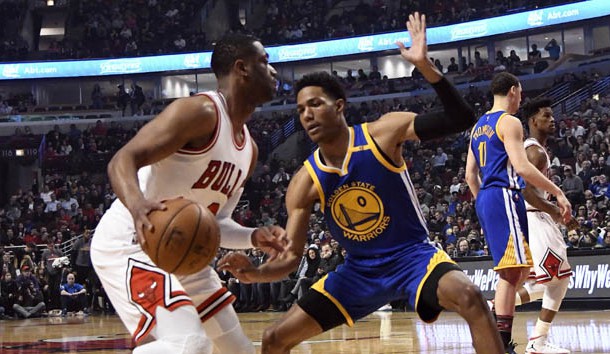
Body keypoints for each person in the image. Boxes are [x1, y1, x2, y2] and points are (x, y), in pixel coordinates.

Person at [220, 13, 503, 354]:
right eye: (300, 110)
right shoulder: (304, 181)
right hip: (358, 273)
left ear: (339, 106)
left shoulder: (382, 133)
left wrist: (425, 66)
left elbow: (461, 119)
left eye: (315, 104)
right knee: (273, 339)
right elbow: (292, 256)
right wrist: (255, 273)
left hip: (413, 257)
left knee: (472, 297)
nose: (306, 114)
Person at [90, 33, 285, 354]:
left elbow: (215, 223)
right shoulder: (199, 112)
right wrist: (138, 206)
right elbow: (122, 160)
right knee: (188, 344)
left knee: (239, 351)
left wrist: (254, 236)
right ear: (242, 69)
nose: (274, 70)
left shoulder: (249, 151)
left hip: (180, 250)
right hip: (131, 243)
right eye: (265, 62)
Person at [465, 72, 572, 353]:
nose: (521, 99)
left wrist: (483, 203)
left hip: (488, 197)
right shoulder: (508, 122)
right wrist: (558, 193)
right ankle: (502, 342)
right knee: (512, 274)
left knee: (521, 272)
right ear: (513, 91)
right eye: (521, 93)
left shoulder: (478, 127)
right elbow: (523, 169)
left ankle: (506, 338)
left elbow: (469, 176)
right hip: (504, 195)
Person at [517, 98, 574, 354]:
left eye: (552, 116)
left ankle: (493, 306)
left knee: (548, 282)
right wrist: (556, 211)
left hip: (537, 219)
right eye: (546, 116)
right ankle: (537, 343)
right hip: (536, 219)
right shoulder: (534, 151)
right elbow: (525, 189)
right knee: (557, 282)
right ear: (533, 121)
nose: (552, 120)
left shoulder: (536, 149)